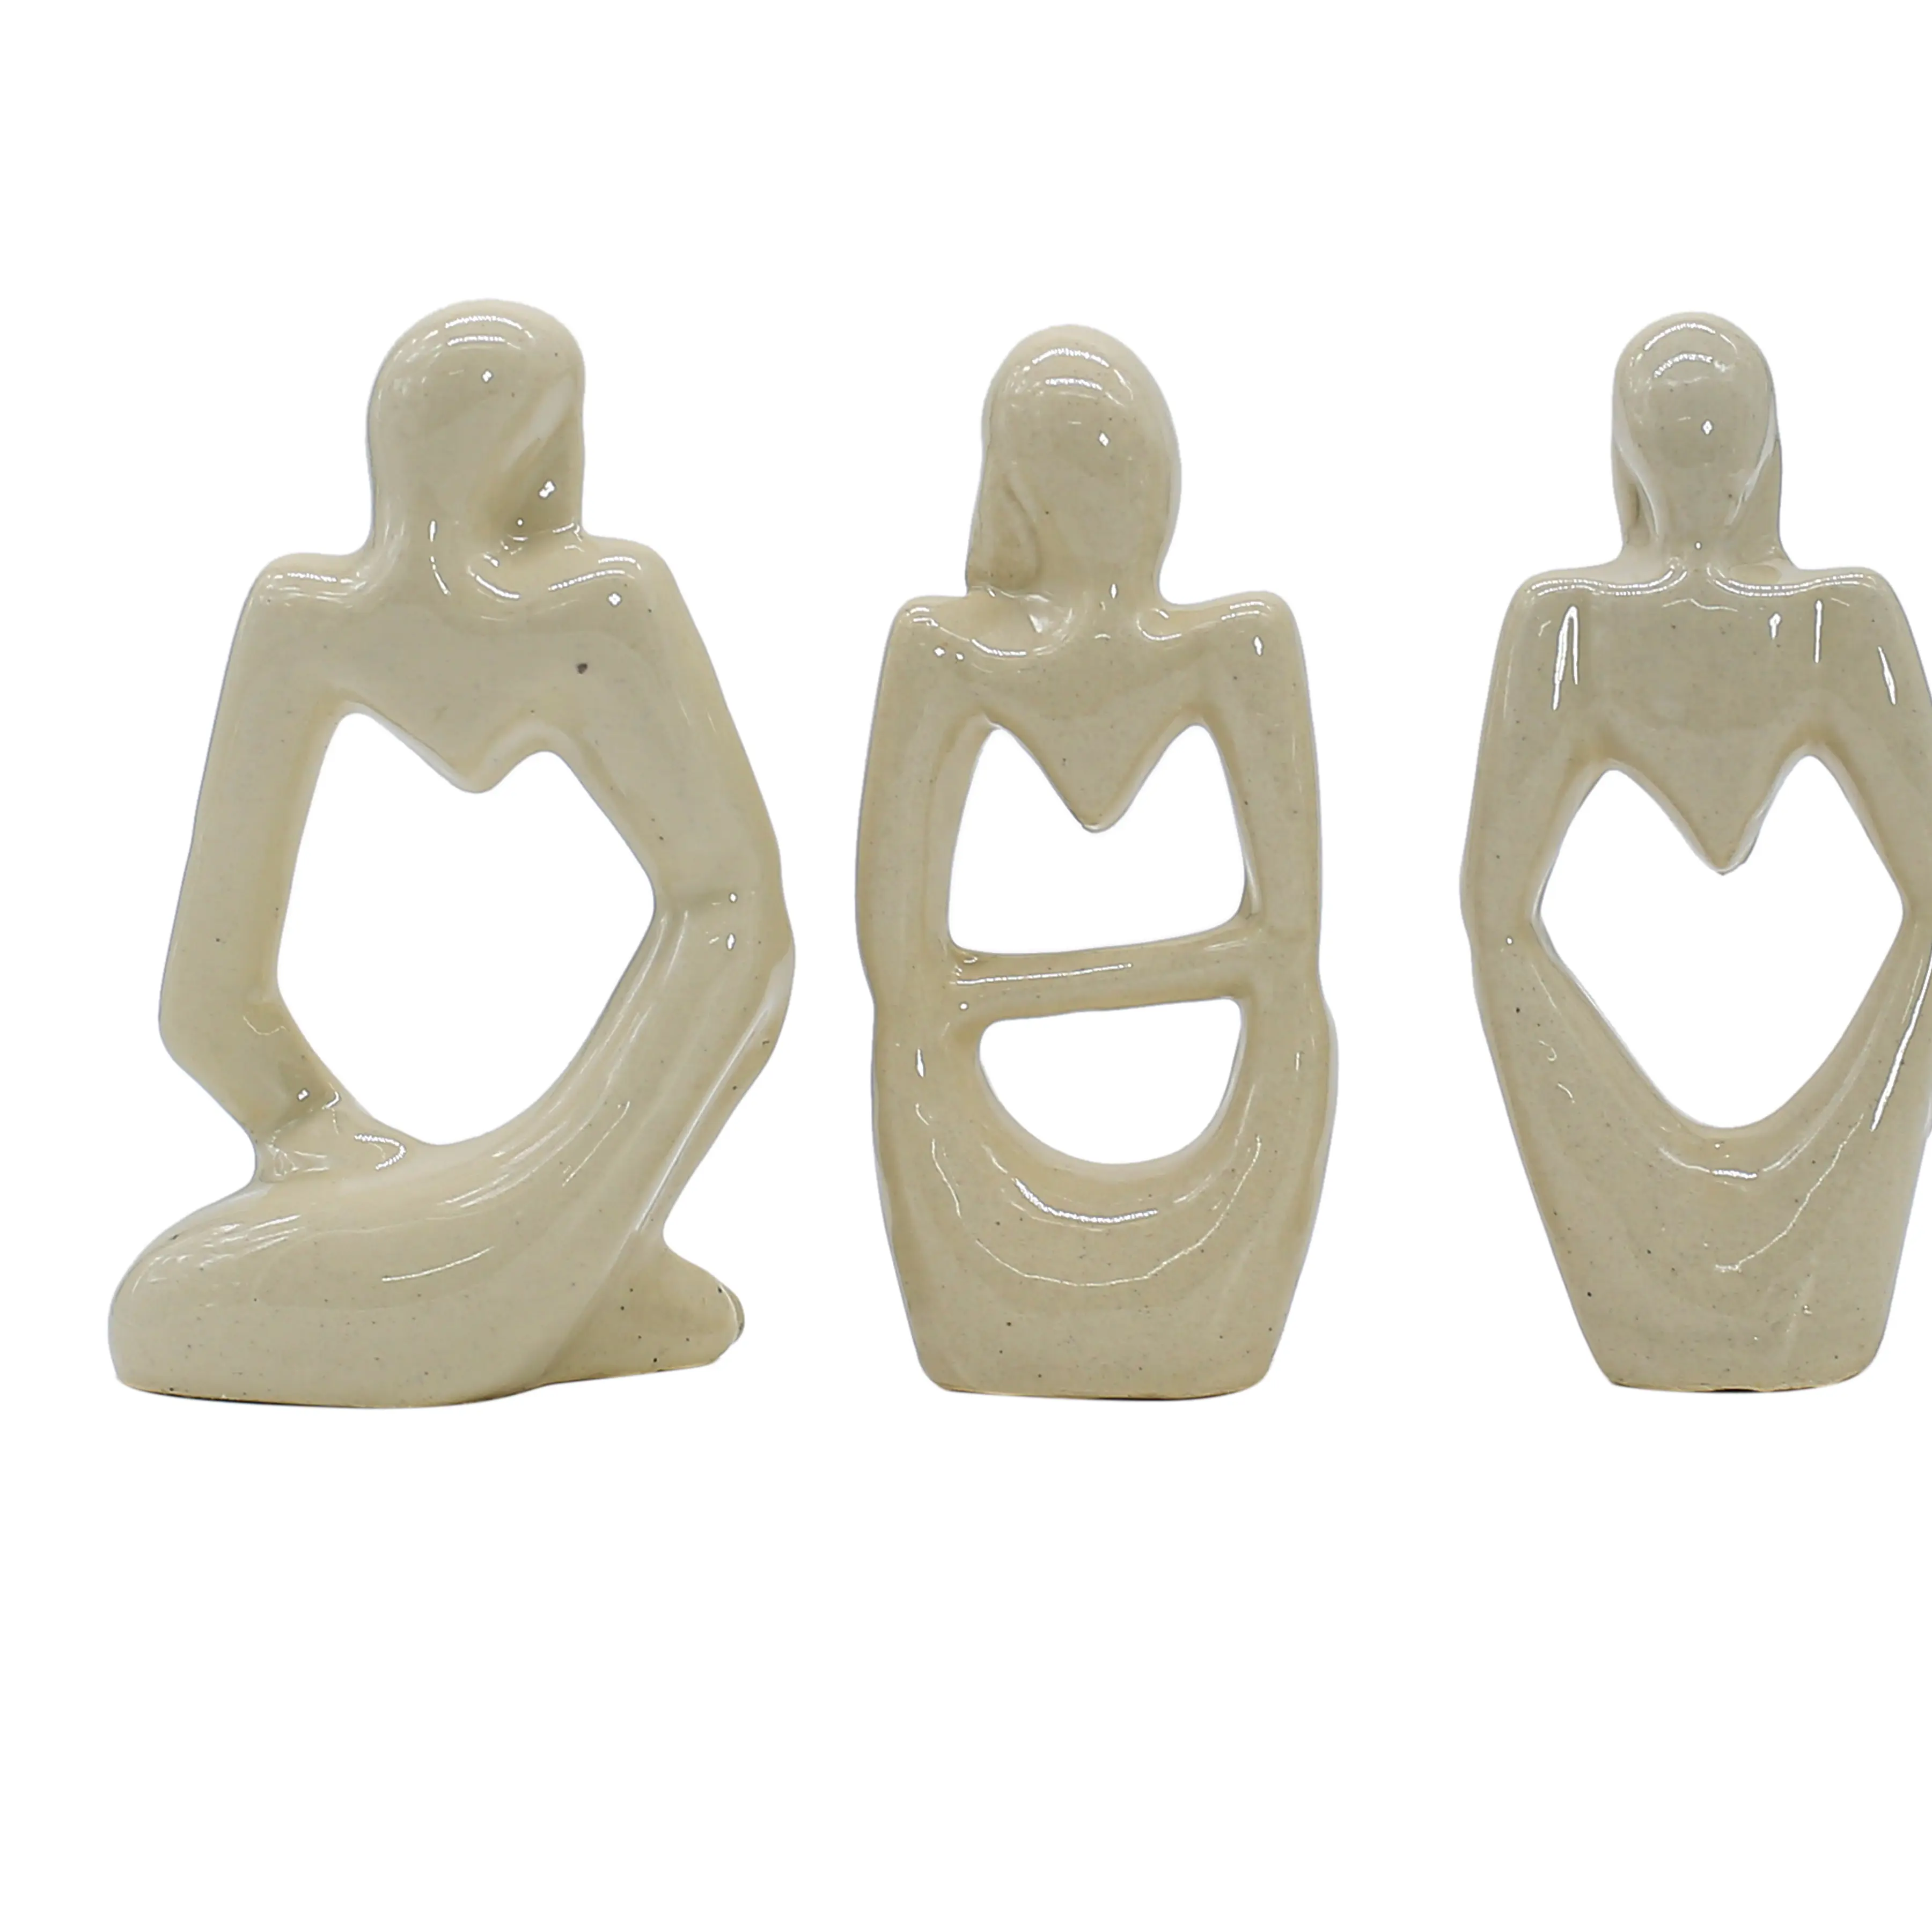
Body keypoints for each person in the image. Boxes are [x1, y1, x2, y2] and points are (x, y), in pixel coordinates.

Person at [111, 303, 792, 1404]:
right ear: (549, 451)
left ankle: (582, 1266)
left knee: (201, 1307)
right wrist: (318, 1134)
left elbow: (733, 916)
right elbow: (206, 1005)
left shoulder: (596, 606)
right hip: (435, 1171)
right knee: (157, 1309)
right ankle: (575, 1276)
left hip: (586, 1151)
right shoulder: (311, 617)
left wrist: (583, 1168)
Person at [1461, 314, 1932, 1389]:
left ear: (1621, 455)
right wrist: (1890, 1103)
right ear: (1770, 450)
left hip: (1656, 1161)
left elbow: (1492, 911)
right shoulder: (1843, 618)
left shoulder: (1565, 623)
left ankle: (1673, 1303)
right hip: (1817, 1154)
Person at [857, 327, 1336, 1397]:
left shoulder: (1240, 642)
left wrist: (990, 992)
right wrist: (985, 995)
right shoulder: (942, 648)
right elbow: (895, 959)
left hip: (1170, 1017)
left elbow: (1291, 932)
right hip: (957, 1053)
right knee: (915, 1029)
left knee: (1296, 1011)